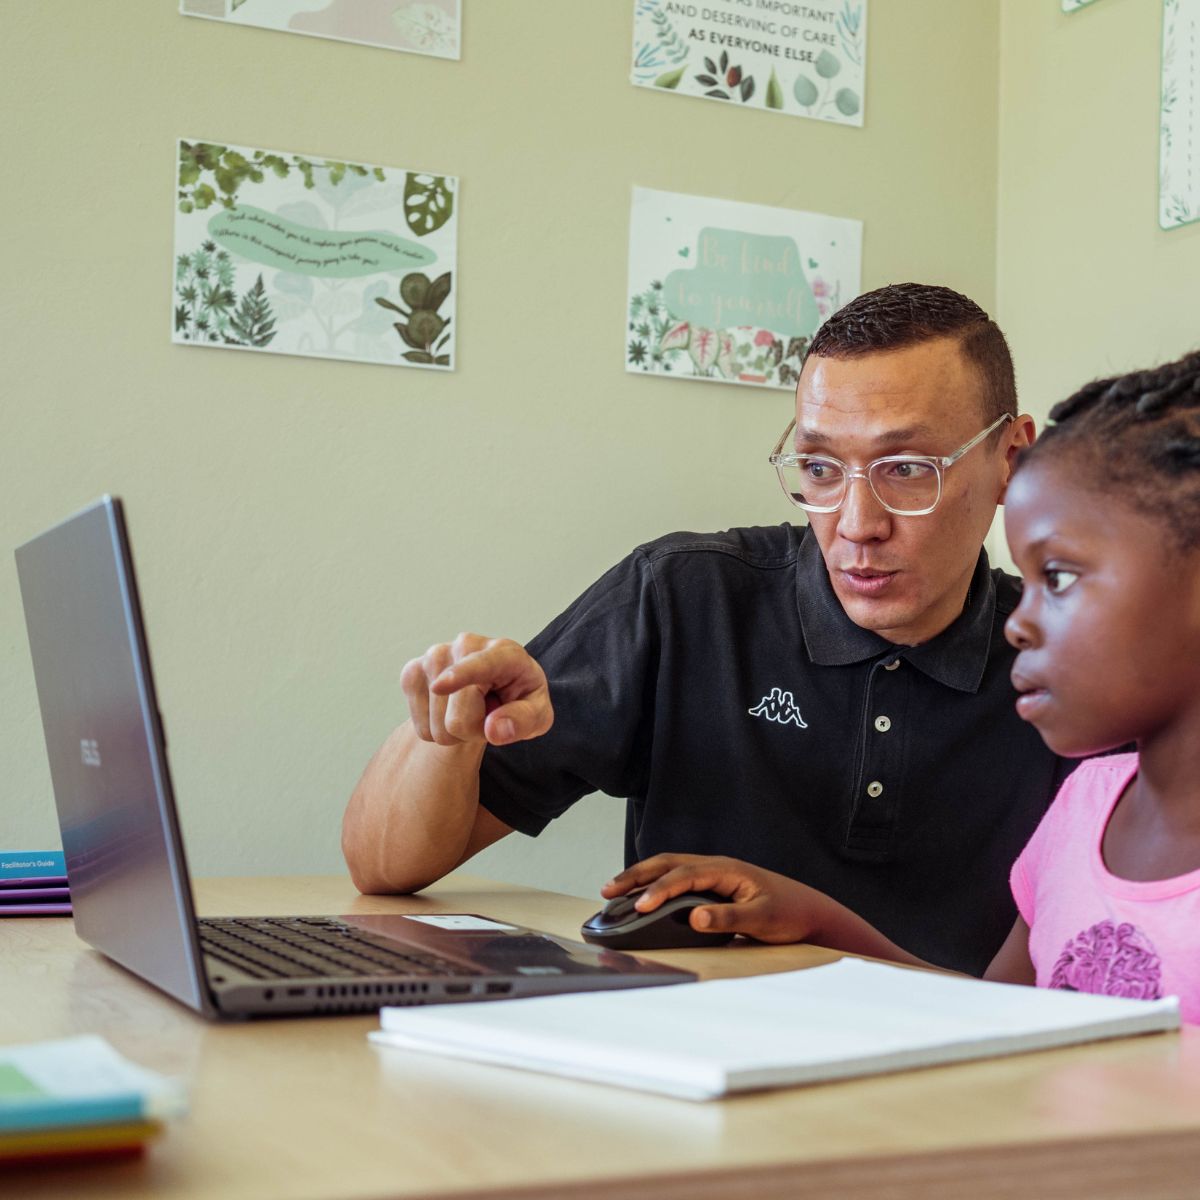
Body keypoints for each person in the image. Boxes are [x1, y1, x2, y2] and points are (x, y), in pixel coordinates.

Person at [343, 282, 1065, 976]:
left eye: (906, 469)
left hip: (962, 1081)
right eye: (819, 468)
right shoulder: (685, 598)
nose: (855, 525)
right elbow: (381, 868)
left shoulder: (1066, 658)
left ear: (1012, 459)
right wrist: (453, 731)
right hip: (682, 1058)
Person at [608, 350, 1200, 1020]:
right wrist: (818, 918)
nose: (1018, 624)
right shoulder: (1083, 811)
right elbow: (994, 1021)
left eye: (1058, 579)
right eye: (821, 468)